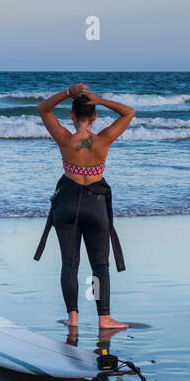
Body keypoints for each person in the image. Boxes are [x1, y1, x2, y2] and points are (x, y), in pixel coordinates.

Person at [34, 84, 135, 332]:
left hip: (67, 202)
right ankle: (104, 318)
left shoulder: (64, 138)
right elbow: (129, 112)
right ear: (95, 116)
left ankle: (73, 318)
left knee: (69, 264)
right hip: (95, 204)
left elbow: (43, 109)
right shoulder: (103, 139)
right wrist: (99, 99)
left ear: (71, 116)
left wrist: (68, 93)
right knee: (99, 265)